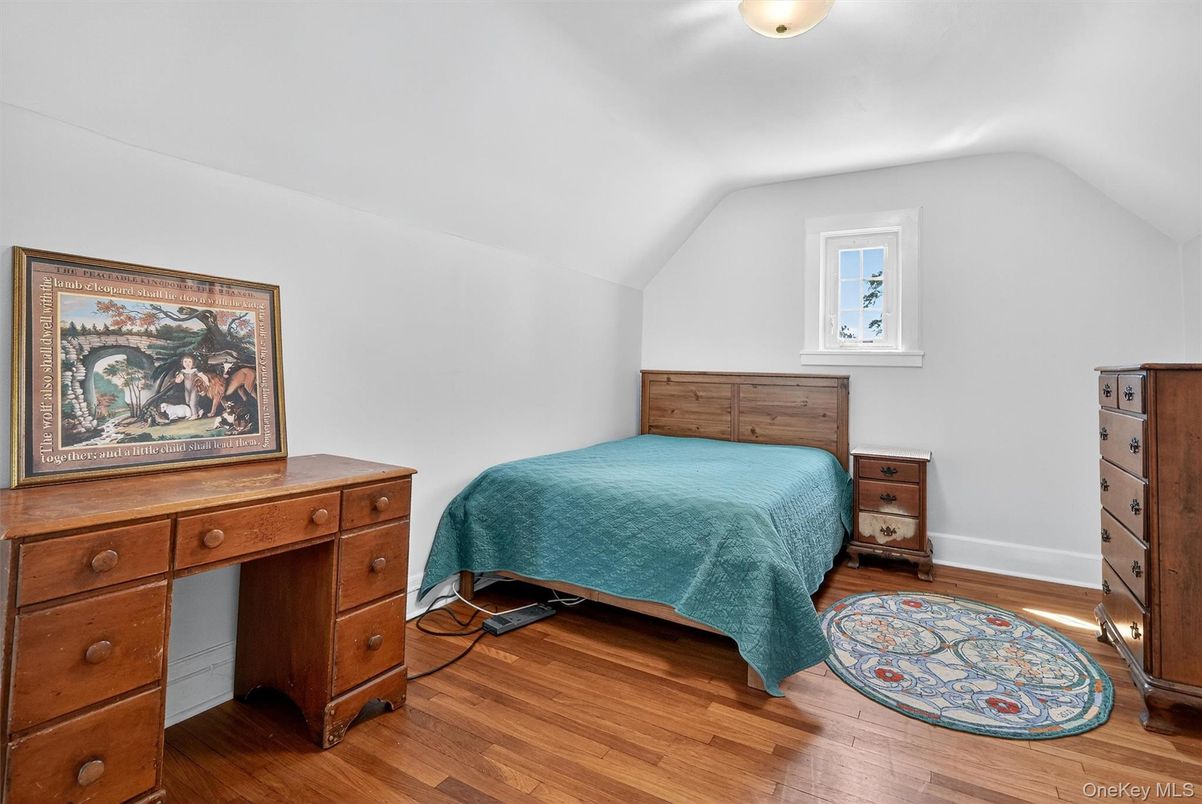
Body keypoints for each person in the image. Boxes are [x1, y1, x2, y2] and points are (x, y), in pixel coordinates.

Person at [173, 354, 208, 420]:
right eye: (185, 362)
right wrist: (178, 378)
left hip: (194, 388)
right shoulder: (183, 372)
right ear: (182, 363)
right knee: (188, 402)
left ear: (193, 363)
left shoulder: (194, 370)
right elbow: (179, 380)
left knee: (192, 402)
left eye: (189, 362)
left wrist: (206, 381)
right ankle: (200, 410)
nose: (187, 364)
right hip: (187, 390)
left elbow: (202, 376)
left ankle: (194, 415)